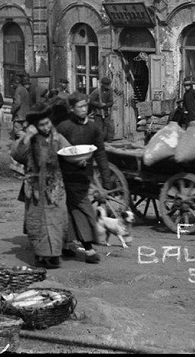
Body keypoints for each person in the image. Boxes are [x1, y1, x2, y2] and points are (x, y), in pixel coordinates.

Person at [11, 102, 72, 270]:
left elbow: (69, 151)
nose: (46, 127)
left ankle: (54, 255)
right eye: (41, 125)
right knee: (37, 222)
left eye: (47, 123)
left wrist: (78, 158)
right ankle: (39, 255)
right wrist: (27, 137)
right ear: (35, 126)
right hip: (35, 187)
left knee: (56, 221)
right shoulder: (30, 139)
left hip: (55, 186)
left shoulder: (57, 137)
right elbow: (16, 154)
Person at [56, 92, 114, 264]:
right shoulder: (64, 127)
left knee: (73, 209)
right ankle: (88, 249)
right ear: (72, 109)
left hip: (84, 175)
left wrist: (106, 178)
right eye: (80, 107)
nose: (84, 109)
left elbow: (100, 153)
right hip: (65, 175)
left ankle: (67, 245)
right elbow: (57, 152)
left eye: (85, 106)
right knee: (81, 209)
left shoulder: (94, 127)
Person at [88, 76, 116, 141]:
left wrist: (105, 105)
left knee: (110, 126)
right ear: (103, 84)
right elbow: (91, 101)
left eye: (108, 85)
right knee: (99, 127)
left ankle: (110, 139)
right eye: (106, 85)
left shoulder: (110, 91)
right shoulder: (97, 91)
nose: (108, 86)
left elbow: (111, 102)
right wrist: (99, 104)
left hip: (106, 111)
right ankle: (99, 140)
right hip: (98, 112)